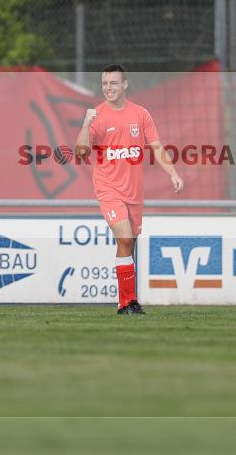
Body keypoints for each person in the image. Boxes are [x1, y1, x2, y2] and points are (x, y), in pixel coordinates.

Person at [76, 64, 183, 315]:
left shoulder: (141, 114)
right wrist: (85, 123)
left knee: (128, 244)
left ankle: (127, 302)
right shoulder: (98, 116)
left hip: (133, 192)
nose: (108, 88)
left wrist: (173, 173)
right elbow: (81, 151)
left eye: (113, 83)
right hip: (108, 188)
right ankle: (127, 302)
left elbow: (156, 147)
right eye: (104, 83)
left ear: (125, 84)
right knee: (124, 238)